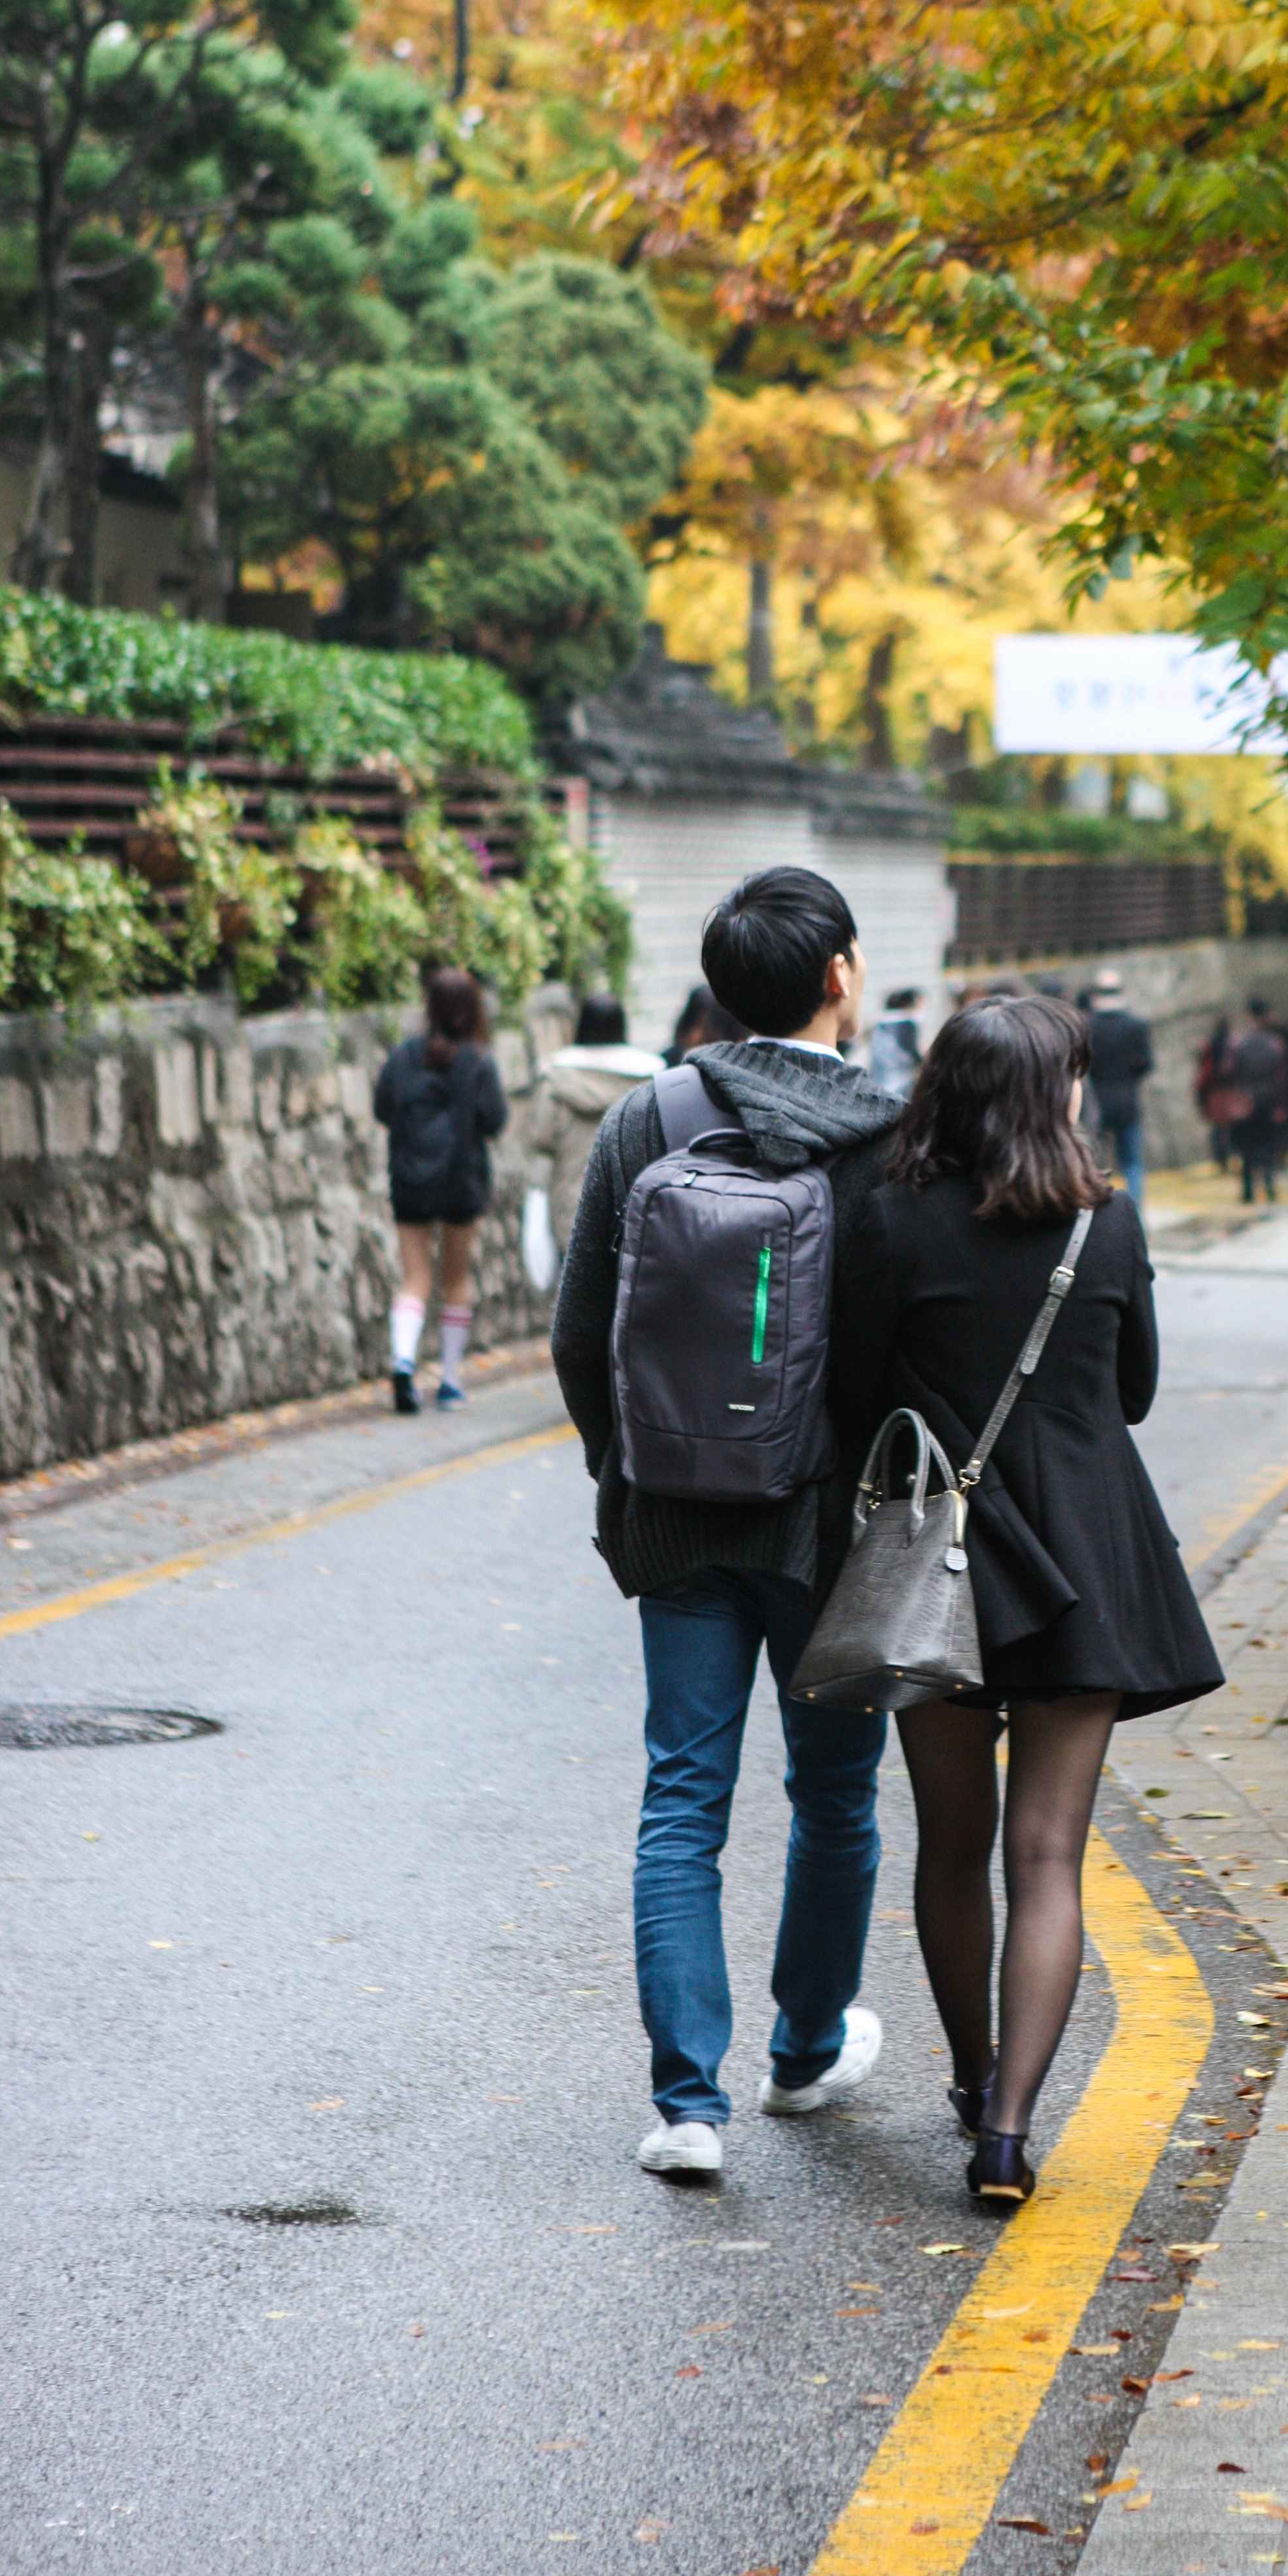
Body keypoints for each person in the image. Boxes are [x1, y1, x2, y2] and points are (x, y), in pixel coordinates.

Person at [550, 865, 907, 2182]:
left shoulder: (648, 1118)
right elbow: (903, 1349)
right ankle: (805, 2051)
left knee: (681, 1799)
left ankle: (687, 2106)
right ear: (839, 976)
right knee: (835, 1798)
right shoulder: (887, 1135)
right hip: (831, 1531)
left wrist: (630, 1470)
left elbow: (582, 1332)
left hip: (681, 1514)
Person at [837, 994, 1222, 2210]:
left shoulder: (889, 1217)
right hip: (1084, 1567)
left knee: (952, 1841)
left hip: (936, 1569)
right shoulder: (1102, 1227)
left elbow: (848, 1398)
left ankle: (966, 2071)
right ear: (1054, 1091)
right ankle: (1005, 2133)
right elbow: (1139, 1390)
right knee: (1048, 1853)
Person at [373, 968, 507, 1412]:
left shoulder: (403, 1057)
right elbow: (495, 1121)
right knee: (456, 1280)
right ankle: (449, 1381)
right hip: (461, 1182)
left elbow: (383, 1109)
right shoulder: (479, 1062)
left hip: (411, 1180)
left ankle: (404, 1364)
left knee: (414, 1278)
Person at [516, 996, 663, 1276]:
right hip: (635, 1207)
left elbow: (540, 1143)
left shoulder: (557, 1080)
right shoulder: (652, 1080)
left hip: (572, 1210)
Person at [1081, 966, 1155, 1212]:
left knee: (1096, 1164)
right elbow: (1146, 1065)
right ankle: (1134, 1213)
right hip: (1127, 1100)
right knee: (1132, 1163)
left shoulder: (1088, 1027)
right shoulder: (1136, 1026)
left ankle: (1101, 1213)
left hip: (1096, 1103)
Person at [1226, 994, 1288, 1204]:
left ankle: (1248, 1191)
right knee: (1267, 1145)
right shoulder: (1275, 1043)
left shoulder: (1238, 1043)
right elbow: (1282, 1078)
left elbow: (1229, 1073)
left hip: (1245, 1100)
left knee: (1247, 1148)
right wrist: (1281, 1105)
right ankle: (1270, 1186)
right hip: (1269, 1100)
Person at [1196, 1015, 1246, 1169]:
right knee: (1234, 1126)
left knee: (1220, 1128)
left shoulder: (1210, 1045)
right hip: (1232, 1091)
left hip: (1216, 1092)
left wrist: (1201, 1095)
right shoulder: (1236, 1044)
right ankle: (1237, 1156)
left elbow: (1204, 1073)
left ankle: (1223, 1161)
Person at [868, 988, 926, 1100]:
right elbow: (916, 1054)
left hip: (879, 1083)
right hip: (900, 1086)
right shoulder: (908, 1023)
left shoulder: (879, 1023)